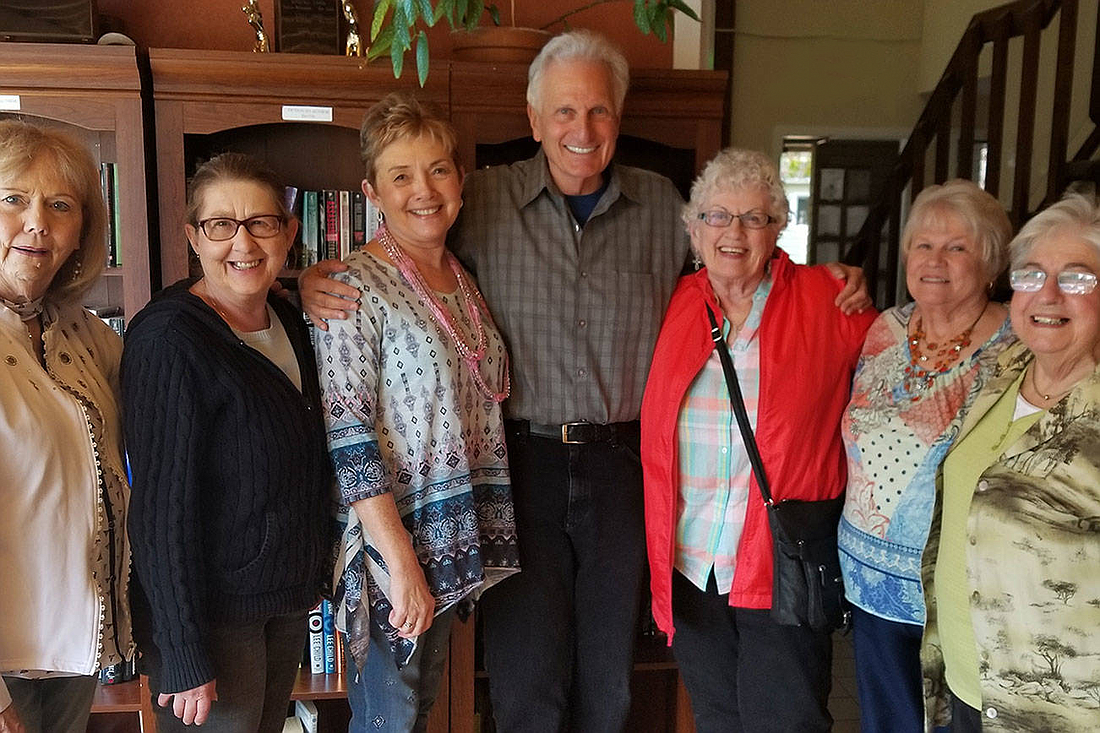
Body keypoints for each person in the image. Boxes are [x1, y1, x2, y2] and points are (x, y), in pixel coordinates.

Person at [300, 31, 868, 732]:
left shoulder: (668, 210)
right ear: (535, 121)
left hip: (626, 469)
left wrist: (827, 278)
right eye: (563, 112)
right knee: (526, 677)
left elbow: (742, 255)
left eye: (598, 111)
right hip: (517, 469)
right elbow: (410, 241)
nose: (582, 129)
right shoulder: (481, 199)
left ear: (618, 119)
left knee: (609, 677)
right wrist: (310, 276)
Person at [640, 148, 877, 733]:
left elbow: (904, 362)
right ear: (693, 230)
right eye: (717, 216)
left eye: (754, 218)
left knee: (787, 721)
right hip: (692, 564)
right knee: (718, 717)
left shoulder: (830, 302)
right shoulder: (674, 306)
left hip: (781, 564)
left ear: (778, 229)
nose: (734, 232)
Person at [314, 93, 519, 733]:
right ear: (372, 192)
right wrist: (398, 560)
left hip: (448, 534)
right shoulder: (352, 287)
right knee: (391, 718)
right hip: (391, 547)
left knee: (416, 710)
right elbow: (348, 435)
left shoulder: (462, 275)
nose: (423, 190)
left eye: (438, 170)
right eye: (401, 175)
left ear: (460, 181)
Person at [122, 153, 331, 731]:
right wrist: (184, 652)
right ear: (194, 237)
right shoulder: (169, 340)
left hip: (281, 601)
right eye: (220, 226)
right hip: (213, 620)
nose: (242, 242)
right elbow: (160, 510)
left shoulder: (287, 321)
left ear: (289, 232)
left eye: (261, 223)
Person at [837, 180, 1014, 733]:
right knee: (886, 721)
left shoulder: (1019, 345)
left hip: (958, 585)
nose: (935, 260)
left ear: (990, 263)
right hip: (868, 582)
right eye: (923, 246)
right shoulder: (881, 328)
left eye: (956, 247)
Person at [921, 192, 1100, 732]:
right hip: (965, 685)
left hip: (1057, 714)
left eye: (1076, 278)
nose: (1046, 294)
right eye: (1031, 274)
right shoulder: (1006, 367)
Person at [0, 120, 132, 733]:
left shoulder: (82, 334)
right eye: (12, 199)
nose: (37, 223)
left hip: (74, 656)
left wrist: (294, 292)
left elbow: (184, 358)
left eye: (60, 205)